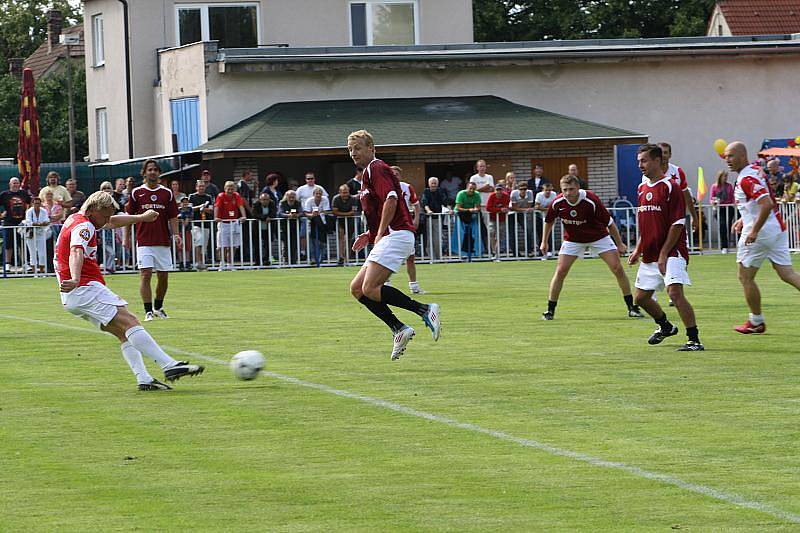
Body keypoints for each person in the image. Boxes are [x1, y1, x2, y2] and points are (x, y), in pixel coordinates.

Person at [56, 191, 204, 391]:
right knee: (131, 322)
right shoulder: (85, 226)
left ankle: (144, 378)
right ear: (92, 210)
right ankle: (169, 365)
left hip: (73, 297)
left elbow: (113, 222)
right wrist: (74, 278)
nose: (107, 220)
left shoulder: (77, 218)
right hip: (84, 288)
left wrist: (141, 218)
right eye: (105, 215)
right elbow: (76, 251)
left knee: (123, 332)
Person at [347, 129, 440, 360]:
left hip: (396, 235)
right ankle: (399, 329)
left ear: (371, 148)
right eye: (350, 149)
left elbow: (391, 199)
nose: (353, 153)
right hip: (389, 234)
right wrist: (369, 234)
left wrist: (379, 234)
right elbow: (380, 209)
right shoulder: (368, 174)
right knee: (357, 288)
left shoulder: (377, 168)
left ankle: (426, 310)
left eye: (357, 148)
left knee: (369, 288)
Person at [628, 144, 703, 351]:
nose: (640, 165)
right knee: (641, 298)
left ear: (658, 161)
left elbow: (677, 223)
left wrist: (663, 254)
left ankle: (694, 340)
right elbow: (646, 224)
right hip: (650, 252)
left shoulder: (671, 187)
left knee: (675, 293)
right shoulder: (642, 188)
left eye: (644, 161)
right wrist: (638, 249)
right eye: (639, 161)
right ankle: (665, 326)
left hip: (673, 251)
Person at [540, 175, 643, 320]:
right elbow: (549, 221)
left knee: (617, 268)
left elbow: (610, 223)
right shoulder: (558, 202)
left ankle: (631, 307)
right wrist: (544, 241)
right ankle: (550, 310)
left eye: (571, 189)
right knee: (561, 271)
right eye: (565, 190)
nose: (568, 193)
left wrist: (619, 243)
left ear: (578, 188)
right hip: (573, 240)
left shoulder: (591, 200)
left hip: (598, 237)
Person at [724, 141, 800, 334]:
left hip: (761, 233)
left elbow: (765, 204)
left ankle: (756, 321)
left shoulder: (746, 179)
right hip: (777, 228)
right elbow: (762, 201)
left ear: (743, 156)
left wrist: (754, 229)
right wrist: (743, 218)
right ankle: (756, 321)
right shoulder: (756, 170)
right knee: (787, 274)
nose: (727, 160)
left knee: (745, 277)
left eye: (731, 156)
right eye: (725, 156)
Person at [124, 159, 180, 321]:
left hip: (162, 241)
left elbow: (173, 216)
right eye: (149, 170)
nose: (152, 172)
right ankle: (148, 311)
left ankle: (159, 306)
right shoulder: (137, 193)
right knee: (145, 274)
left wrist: (176, 234)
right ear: (144, 173)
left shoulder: (167, 193)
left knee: (163, 276)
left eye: (155, 169)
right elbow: (130, 216)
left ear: (159, 172)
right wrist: (126, 237)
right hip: (144, 241)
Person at [391, 166, 426, 294]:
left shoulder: (406, 187)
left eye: (396, 174)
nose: (394, 176)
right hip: (389, 227)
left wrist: (416, 219)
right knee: (389, 257)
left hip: (405, 226)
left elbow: (416, 204)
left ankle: (414, 286)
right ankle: (386, 284)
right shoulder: (383, 188)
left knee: (410, 257)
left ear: (400, 176)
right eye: (392, 174)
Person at [214, 180, 247, 270]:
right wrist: (216, 217)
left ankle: (230, 264)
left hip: (234, 223)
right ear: (225, 189)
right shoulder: (221, 196)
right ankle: (222, 264)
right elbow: (216, 207)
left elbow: (240, 206)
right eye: (228, 188)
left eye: (232, 188)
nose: (230, 190)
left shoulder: (236, 196)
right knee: (222, 245)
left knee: (233, 245)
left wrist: (244, 216)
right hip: (223, 223)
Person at [1, 177, 31, 271]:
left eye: (17, 183)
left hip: (21, 223)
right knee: (8, 244)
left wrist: (27, 215)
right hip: (9, 222)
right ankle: (7, 264)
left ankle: (25, 263)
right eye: (13, 183)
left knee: (22, 243)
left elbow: (31, 203)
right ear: (10, 184)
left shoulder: (23, 193)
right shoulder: (4, 194)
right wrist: (1, 215)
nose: (15, 184)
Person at [188, 180, 214, 270]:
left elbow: (211, 210)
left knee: (204, 245)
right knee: (199, 240)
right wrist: (199, 207)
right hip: (195, 223)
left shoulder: (208, 197)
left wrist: (204, 209)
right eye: (200, 186)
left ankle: (201, 264)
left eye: (203, 186)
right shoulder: (192, 196)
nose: (201, 188)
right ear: (196, 187)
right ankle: (198, 262)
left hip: (206, 223)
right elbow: (189, 209)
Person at [332, 183, 360, 265]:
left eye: (347, 192)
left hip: (350, 221)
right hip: (339, 221)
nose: (345, 194)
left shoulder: (353, 199)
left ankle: (347, 257)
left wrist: (342, 214)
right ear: (339, 192)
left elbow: (353, 212)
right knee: (341, 238)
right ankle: (341, 256)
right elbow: (334, 212)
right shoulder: (336, 199)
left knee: (349, 238)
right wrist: (347, 214)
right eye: (343, 192)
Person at [469, 159, 493, 250]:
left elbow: (491, 189)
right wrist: (485, 188)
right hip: (477, 205)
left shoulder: (489, 177)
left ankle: (490, 249)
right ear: (477, 168)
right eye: (480, 166)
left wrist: (478, 189)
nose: (482, 168)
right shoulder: (473, 178)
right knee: (476, 227)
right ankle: (477, 248)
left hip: (487, 205)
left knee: (488, 228)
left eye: (484, 166)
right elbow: (471, 191)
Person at [421, 177, 447, 260]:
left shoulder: (440, 191)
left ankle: (439, 257)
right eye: (432, 183)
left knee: (437, 237)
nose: (433, 185)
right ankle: (430, 257)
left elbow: (445, 201)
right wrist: (428, 211)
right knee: (429, 237)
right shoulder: (426, 191)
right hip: (429, 218)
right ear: (429, 184)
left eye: (435, 183)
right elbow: (425, 202)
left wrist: (449, 210)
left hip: (438, 218)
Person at [303, 187, 332, 264]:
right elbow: (306, 213)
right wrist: (312, 214)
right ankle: (313, 258)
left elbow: (326, 211)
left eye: (320, 193)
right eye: (317, 193)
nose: (318, 195)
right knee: (312, 241)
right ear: (313, 194)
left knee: (322, 242)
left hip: (322, 223)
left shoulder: (325, 199)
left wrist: (319, 212)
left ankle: (321, 258)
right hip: (311, 223)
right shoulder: (309, 201)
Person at [454, 181, 483, 256]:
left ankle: (477, 251)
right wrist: (469, 210)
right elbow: (458, 208)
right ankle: (460, 252)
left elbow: (478, 206)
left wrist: (476, 209)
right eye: (470, 189)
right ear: (467, 188)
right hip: (460, 214)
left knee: (475, 232)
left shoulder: (477, 194)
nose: (472, 191)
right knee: (461, 233)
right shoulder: (461, 194)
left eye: (474, 189)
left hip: (471, 215)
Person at [709, 170, 735, 252]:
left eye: (726, 176)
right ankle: (724, 246)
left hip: (729, 208)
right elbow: (711, 198)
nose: (726, 178)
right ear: (720, 177)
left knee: (728, 226)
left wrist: (733, 203)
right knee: (722, 225)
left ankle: (728, 243)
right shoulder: (714, 186)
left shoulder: (729, 186)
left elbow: (732, 197)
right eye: (724, 176)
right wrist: (713, 202)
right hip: (719, 209)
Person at [24, 195, 50, 274]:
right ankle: (34, 272)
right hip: (31, 234)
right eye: (35, 203)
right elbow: (29, 222)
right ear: (32, 204)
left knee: (42, 253)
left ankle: (42, 272)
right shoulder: (29, 211)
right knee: (32, 253)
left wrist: (38, 224)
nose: (37, 205)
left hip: (41, 233)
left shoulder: (43, 211)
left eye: (38, 203)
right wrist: (40, 224)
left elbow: (46, 221)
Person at [510, 181, 536, 256]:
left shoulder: (530, 193)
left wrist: (524, 209)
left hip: (522, 214)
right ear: (518, 189)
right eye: (521, 189)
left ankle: (529, 251)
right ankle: (515, 253)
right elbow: (514, 207)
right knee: (512, 233)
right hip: (512, 214)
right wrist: (525, 209)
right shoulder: (514, 193)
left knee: (528, 230)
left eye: (525, 189)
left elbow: (529, 206)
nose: (523, 191)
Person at [485, 183, 510, 259]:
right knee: (491, 233)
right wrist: (499, 209)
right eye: (497, 190)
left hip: (502, 219)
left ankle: (496, 250)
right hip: (492, 218)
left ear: (502, 190)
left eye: (500, 190)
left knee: (500, 236)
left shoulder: (505, 196)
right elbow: (488, 208)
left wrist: (505, 209)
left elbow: (507, 205)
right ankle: (494, 251)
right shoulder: (492, 196)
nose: (498, 192)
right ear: (495, 190)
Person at [278, 189, 303, 264]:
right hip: (284, 227)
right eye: (290, 197)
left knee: (294, 244)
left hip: (295, 227)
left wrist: (297, 215)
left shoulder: (298, 203)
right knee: (285, 244)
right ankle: (285, 261)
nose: (291, 199)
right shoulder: (282, 203)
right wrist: (288, 216)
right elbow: (280, 213)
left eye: (293, 197)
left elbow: (301, 212)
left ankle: (294, 261)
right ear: (286, 197)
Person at [252, 192, 277, 264]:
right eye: (263, 199)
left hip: (268, 228)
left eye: (266, 199)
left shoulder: (272, 203)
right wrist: (265, 217)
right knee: (257, 244)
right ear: (260, 200)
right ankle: (257, 261)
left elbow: (273, 213)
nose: (265, 201)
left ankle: (266, 260)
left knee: (267, 244)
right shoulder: (256, 204)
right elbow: (254, 214)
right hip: (257, 228)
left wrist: (269, 217)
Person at [534, 182, 557, 255]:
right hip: (539, 216)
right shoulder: (539, 195)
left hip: (550, 217)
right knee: (540, 234)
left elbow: (555, 206)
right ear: (543, 190)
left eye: (549, 190)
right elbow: (537, 207)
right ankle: (541, 252)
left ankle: (549, 251)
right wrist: (548, 209)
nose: (548, 192)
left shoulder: (554, 194)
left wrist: (545, 209)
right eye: (546, 190)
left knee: (549, 233)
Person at [176, 196, 193, 270]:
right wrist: (181, 220)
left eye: (186, 201)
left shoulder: (190, 209)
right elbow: (176, 217)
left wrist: (187, 219)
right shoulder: (178, 210)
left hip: (187, 230)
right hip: (179, 230)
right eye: (183, 202)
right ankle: (181, 263)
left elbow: (191, 217)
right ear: (180, 203)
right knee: (180, 247)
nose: (185, 203)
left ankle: (188, 262)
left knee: (187, 246)